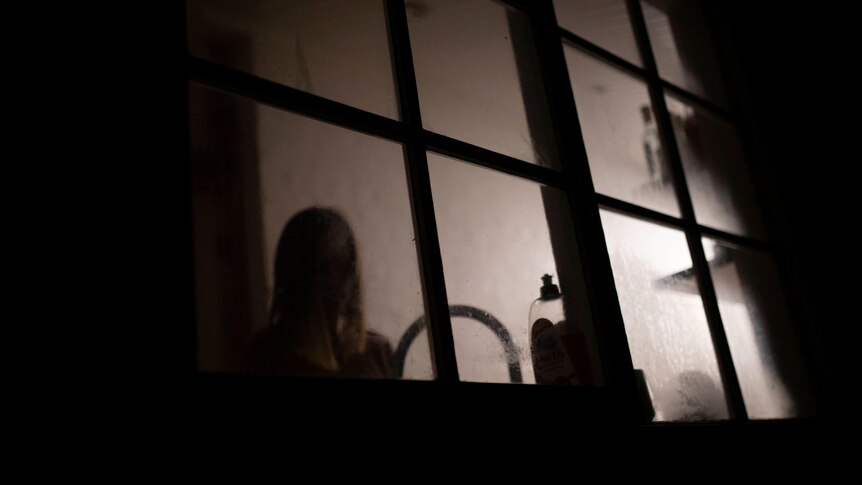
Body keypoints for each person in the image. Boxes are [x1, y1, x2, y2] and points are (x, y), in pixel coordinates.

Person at [246, 207, 395, 378]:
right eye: (326, 268)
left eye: (346, 264)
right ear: (300, 277)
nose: (341, 281)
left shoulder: (376, 352)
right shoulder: (269, 354)